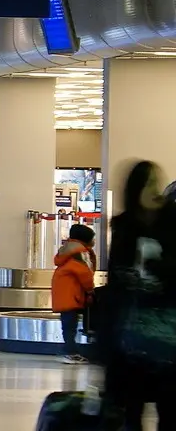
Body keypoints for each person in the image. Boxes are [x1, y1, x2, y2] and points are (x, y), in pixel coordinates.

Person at [102, 160, 176, 431]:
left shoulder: (172, 225)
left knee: (169, 412)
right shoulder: (124, 229)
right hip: (130, 343)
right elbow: (114, 287)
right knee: (128, 415)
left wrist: (161, 267)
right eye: (149, 184)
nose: (155, 190)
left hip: (169, 340)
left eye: (157, 183)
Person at [51, 223, 96, 364]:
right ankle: (70, 352)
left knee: (68, 325)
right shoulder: (80, 253)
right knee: (70, 326)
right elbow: (85, 273)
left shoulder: (69, 251)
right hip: (72, 294)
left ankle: (71, 351)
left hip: (65, 293)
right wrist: (90, 290)